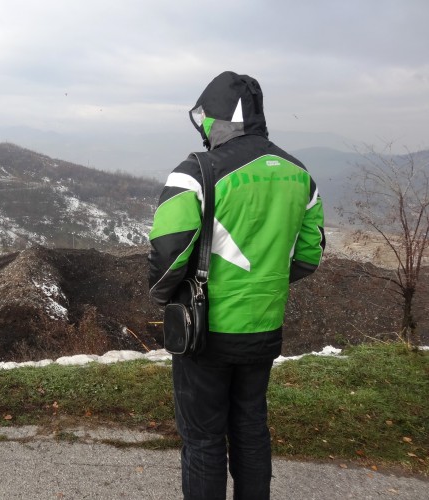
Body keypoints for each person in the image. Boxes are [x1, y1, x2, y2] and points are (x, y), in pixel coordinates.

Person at [148, 71, 325, 499]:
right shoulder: (301, 175)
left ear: (215, 120)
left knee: (204, 439)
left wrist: (163, 297)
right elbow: (307, 256)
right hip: (264, 328)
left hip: (206, 333)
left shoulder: (196, 172)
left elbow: (167, 257)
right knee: (250, 428)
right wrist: (264, 285)